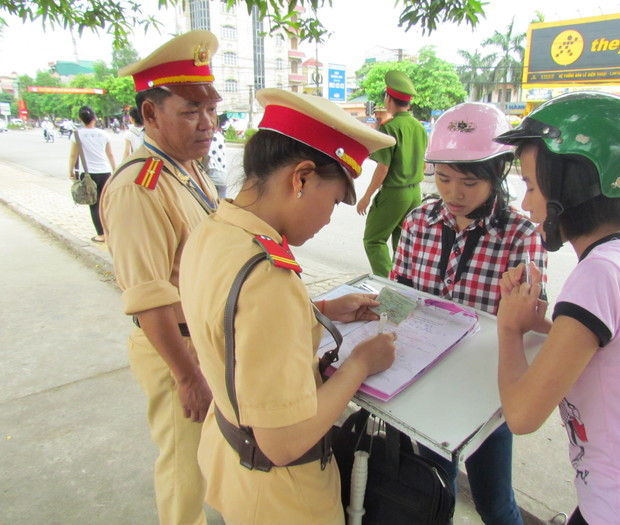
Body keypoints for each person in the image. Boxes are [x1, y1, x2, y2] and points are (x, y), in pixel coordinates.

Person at [178, 88, 398, 524]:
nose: (330, 218)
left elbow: (232, 321)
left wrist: (320, 310)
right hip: (279, 500)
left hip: (227, 460)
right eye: (335, 201)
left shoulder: (215, 229)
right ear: (301, 178)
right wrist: (360, 364)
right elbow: (282, 442)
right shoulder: (268, 275)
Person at [493, 92, 620, 524]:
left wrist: (510, 328)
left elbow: (521, 415)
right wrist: (544, 325)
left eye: (532, 187)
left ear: (573, 185)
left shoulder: (598, 274)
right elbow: (618, 354)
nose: (526, 204)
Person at [389, 102, 547, 525]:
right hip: (419, 381)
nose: (454, 194)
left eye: (470, 182)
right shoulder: (418, 221)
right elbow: (395, 293)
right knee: (432, 487)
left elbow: (529, 324)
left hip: (486, 392)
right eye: (443, 178)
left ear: (498, 175)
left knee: (494, 500)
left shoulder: (520, 236)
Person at [99, 30, 221, 525]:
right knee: (182, 469)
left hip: (203, 339)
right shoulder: (137, 187)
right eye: (191, 111)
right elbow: (148, 297)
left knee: (206, 458)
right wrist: (188, 375)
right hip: (176, 347)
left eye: (210, 110)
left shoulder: (185, 169)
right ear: (150, 115)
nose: (207, 123)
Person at [357, 70, 428, 277]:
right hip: (415, 193)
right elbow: (423, 164)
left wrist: (366, 196)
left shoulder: (389, 128)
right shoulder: (419, 128)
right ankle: (404, 283)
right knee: (402, 242)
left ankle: (389, 284)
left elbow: (383, 167)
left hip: (394, 193)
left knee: (373, 240)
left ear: (388, 99)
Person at [68, 105, 116, 243]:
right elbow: (111, 155)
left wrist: (70, 170)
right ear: (94, 118)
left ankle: (101, 235)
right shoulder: (104, 134)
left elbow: (73, 155)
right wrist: (115, 171)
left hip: (89, 174)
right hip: (106, 172)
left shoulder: (77, 135)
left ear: (80, 119)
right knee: (106, 203)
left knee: (94, 204)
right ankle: (111, 232)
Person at [201, 116, 227, 198]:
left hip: (212, 175)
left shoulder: (208, 138)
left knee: (211, 207)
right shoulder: (221, 137)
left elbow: (205, 159)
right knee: (221, 207)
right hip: (223, 176)